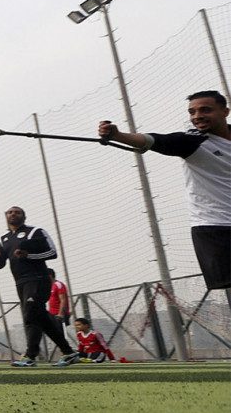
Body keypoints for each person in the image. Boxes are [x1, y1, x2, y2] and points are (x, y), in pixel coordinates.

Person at [98, 91, 231, 295]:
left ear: (225, 112)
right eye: (192, 112)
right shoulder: (191, 142)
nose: (197, 116)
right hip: (216, 228)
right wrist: (118, 136)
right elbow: (155, 140)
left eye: (205, 110)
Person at [0, 206, 79, 367]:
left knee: (30, 314)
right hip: (20, 283)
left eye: (17, 212)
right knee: (41, 318)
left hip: (38, 279)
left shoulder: (35, 232)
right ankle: (68, 352)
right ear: (6, 217)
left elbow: (52, 252)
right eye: (10, 212)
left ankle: (30, 356)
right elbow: (1, 264)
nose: (13, 214)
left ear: (24, 217)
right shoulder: (4, 238)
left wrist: (29, 255)